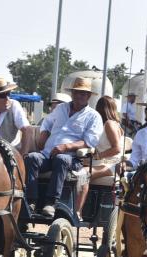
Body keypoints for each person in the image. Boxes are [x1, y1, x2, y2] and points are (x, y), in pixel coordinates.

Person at [25, 77, 103, 217]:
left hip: (73, 159)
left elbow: (90, 141)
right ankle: (31, 201)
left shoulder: (94, 116)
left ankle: (51, 202)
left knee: (61, 159)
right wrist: (43, 134)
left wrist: (66, 146)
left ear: (89, 96)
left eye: (84, 93)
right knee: (31, 158)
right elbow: (47, 122)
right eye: (77, 92)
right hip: (48, 154)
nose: (80, 96)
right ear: (72, 93)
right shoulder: (61, 108)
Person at [75, 96, 123, 218]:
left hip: (109, 164)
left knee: (82, 174)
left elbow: (116, 149)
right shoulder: (109, 125)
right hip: (101, 163)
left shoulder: (109, 124)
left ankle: (78, 211)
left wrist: (96, 157)